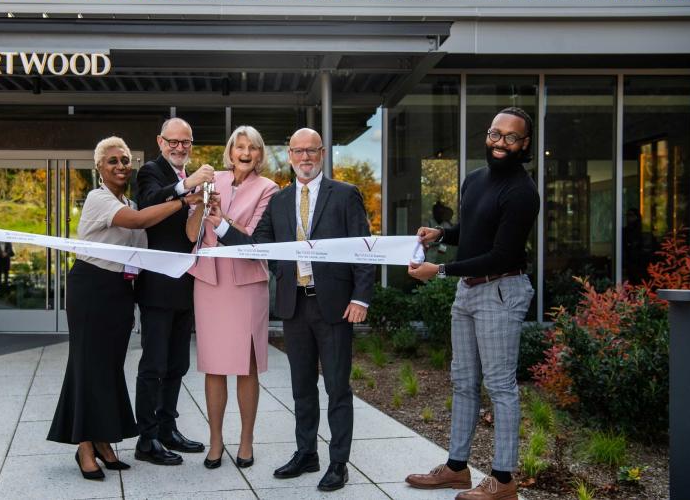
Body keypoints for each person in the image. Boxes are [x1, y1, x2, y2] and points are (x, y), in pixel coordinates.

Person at [213, 128, 375, 492]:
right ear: (289, 155)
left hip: (334, 306)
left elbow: (365, 248)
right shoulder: (280, 201)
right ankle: (306, 453)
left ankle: (338, 463)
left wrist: (361, 297)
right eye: (298, 151)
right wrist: (220, 225)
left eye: (312, 151)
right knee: (302, 387)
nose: (305, 158)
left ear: (321, 154)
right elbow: (259, 247)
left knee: (336, 388)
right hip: (294, 304)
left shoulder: (345, 195)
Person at [47, 136, 203, 481]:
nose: (121, 166)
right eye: (113, 161)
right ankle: (84, 445)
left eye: (125, 160)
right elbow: (137, 222)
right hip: (91, 287)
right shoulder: (99, 198)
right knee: (87, 365)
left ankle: (104, 441)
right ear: (99, 167)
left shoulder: (129, 199)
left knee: (109, 367)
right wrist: (182, 200)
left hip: (120, 290)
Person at [406, 107, 540, 500]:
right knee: (463, 381)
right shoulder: (475, 180)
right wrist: (441, 234)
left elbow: (500, 254)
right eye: (495, 134)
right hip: (469, 290)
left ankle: (503, 480)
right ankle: (456, 468)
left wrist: (441, 271)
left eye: (511, 137)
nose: (501, 143)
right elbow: (474, 231)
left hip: (501, 289)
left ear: (524, 144)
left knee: (499, 386)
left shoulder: (522, 192)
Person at [185, 126, 279, 469]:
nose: (245, 152)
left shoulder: (269, 189)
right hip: (209, 283)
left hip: (246, 284)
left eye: (252, 147)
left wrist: (221, 218)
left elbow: (255, 237)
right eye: (240, 146)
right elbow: (192, 234)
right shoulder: (213, 179)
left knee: (246, 366)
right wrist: (199, 204)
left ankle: (246, 441)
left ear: (259, 154)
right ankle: (215, 441)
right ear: (230, 150)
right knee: (213, 365)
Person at [133, 118, 213, 465]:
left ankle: (168, 428)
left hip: (186, 284)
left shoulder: (187, 178)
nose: (180, 148)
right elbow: (149, 202)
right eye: (173, 142)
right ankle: (146, 438)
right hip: (157, 286)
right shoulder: (150, 171)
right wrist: (187, 189)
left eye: (186, 142)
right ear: (160, 142)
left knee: (178, 363)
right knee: (154, 363)